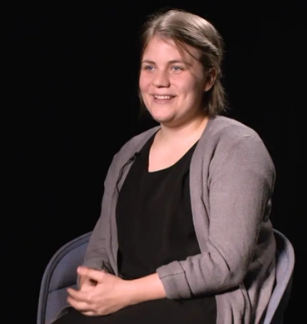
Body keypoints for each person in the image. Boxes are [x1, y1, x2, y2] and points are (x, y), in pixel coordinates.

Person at [51, 8, 277, 324]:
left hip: (199, 305)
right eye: (150, 67)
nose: (159, 82)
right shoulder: (128, 155)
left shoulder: (237, 147)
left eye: (177, 68)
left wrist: (126, 293)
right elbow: (100, 250)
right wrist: (96, 289)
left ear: (209, 77)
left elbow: (225, 265)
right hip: (128, 303)